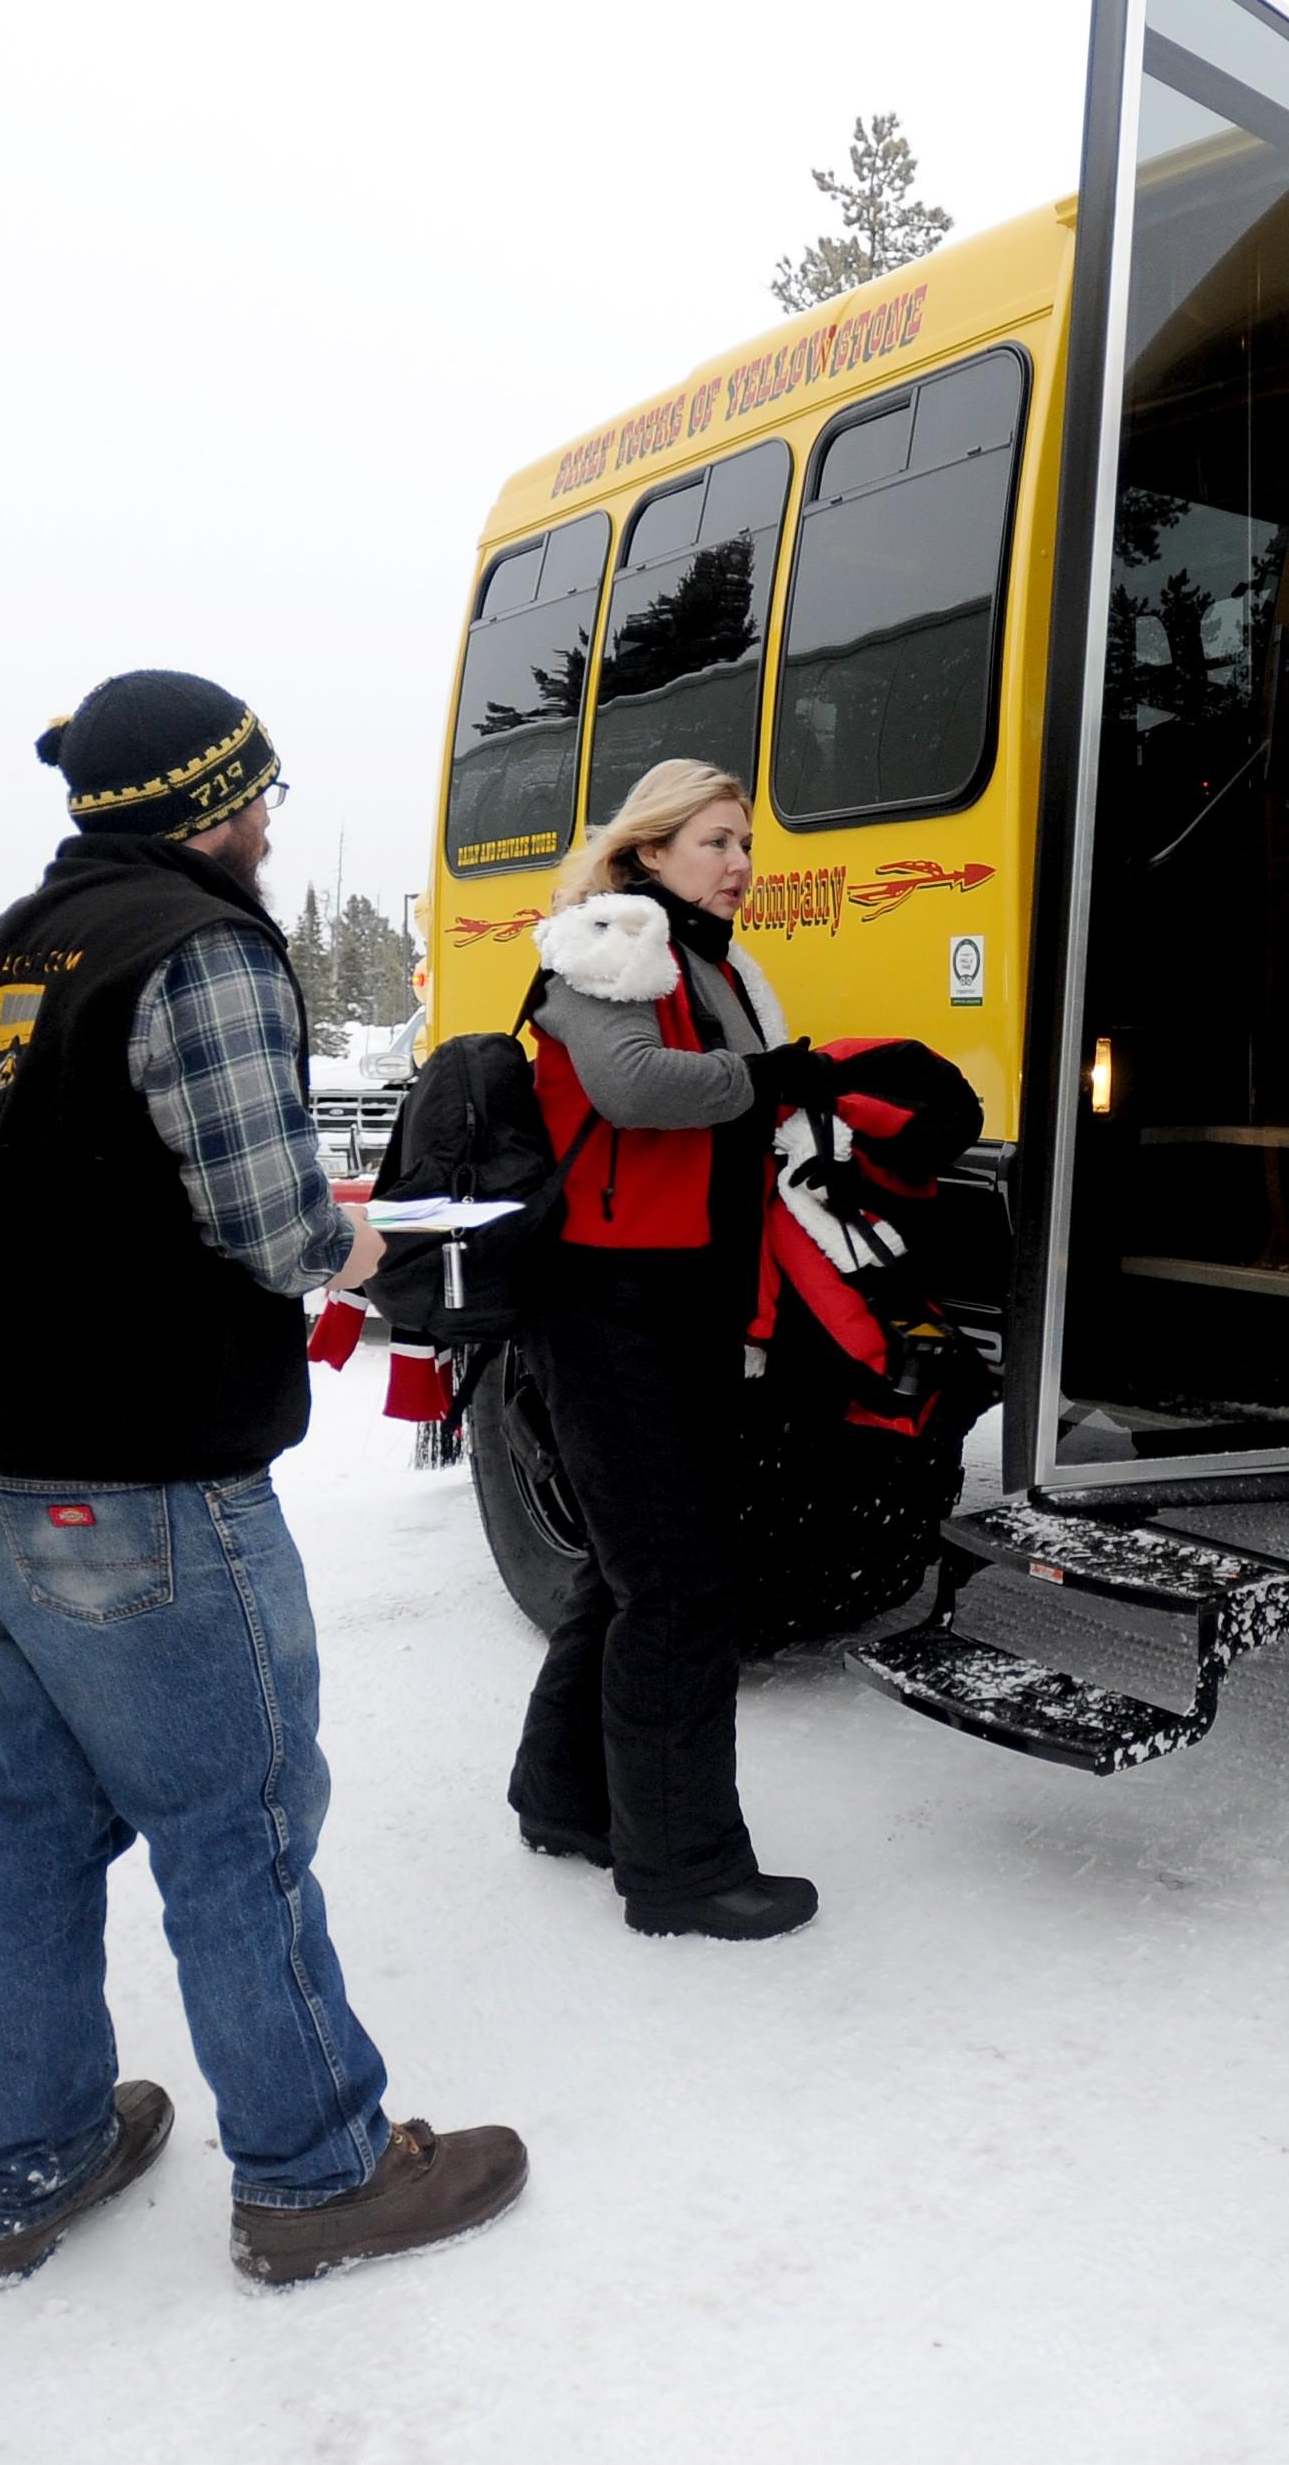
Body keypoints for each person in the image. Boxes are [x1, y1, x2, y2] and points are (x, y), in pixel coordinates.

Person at [0, 669, 525, 2290]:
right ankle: (314, 2169)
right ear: (212, 804)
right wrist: (369, 1244)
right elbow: (266, 1219)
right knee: (232, 1819)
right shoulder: (201, 949)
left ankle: (27, 2154)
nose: (265, 822)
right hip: (133, 1479)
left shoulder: (0, 958)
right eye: (259, 794)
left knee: (28, 1820)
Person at [509, 756, 829, 1941]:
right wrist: (771, 1076)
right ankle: (681, 1868)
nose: (740, 865)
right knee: (680, 1587)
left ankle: (566, 1797)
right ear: (647, 851)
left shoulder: (711, 960)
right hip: (609, 1305)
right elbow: (635, 1086)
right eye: (713, 841)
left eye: (746, 842)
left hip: (681, 1301)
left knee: (633, 1564)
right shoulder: (609, 941)